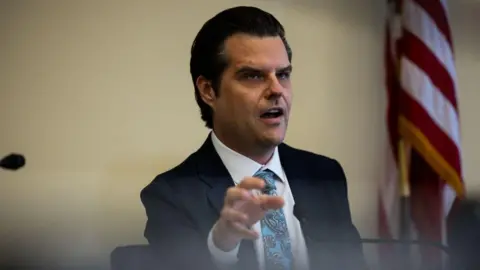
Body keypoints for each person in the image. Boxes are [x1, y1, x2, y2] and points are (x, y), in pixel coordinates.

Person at [140, 6, 367, 270]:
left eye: (283, 74)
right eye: (253, 76)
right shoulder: (171, 195)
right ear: (208, 91)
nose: (276, 90)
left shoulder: (324, 176)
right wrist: (222, 245)